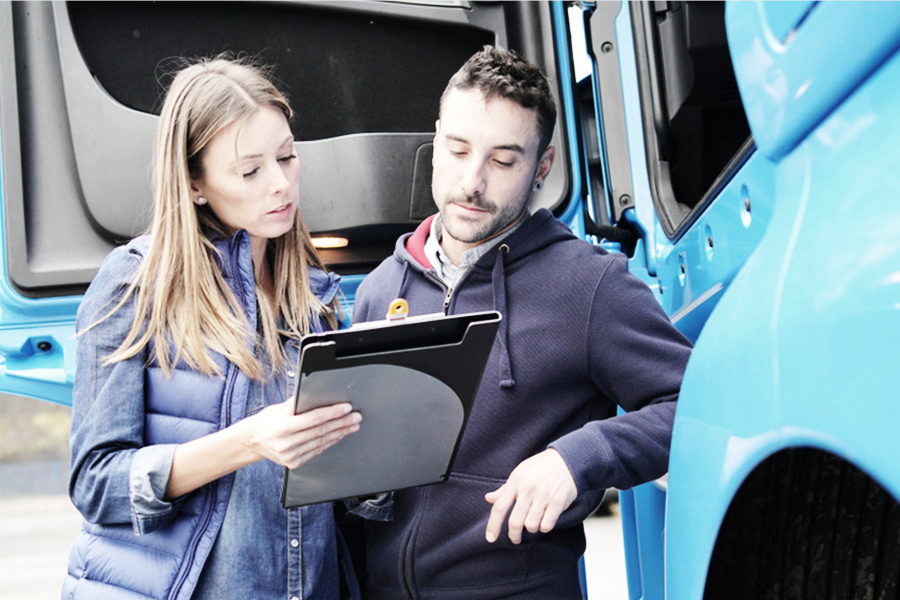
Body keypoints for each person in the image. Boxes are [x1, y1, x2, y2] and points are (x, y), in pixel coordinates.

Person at [349, 46, 693, 598]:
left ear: (544, 166)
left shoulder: (591, 287)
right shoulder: (378, 291)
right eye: (458, 150)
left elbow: (697, 404)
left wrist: (579, 457)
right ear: (436, 142)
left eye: (504, 161)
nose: (473, 182)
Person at [63, 57, 362, 599]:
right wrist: (249, 442)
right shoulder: (134, 284)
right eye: (249, 171)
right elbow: (96, 484)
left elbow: (330, 490)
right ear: (195, 183)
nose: (280, 184)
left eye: (287, 157)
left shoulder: (317, 296)